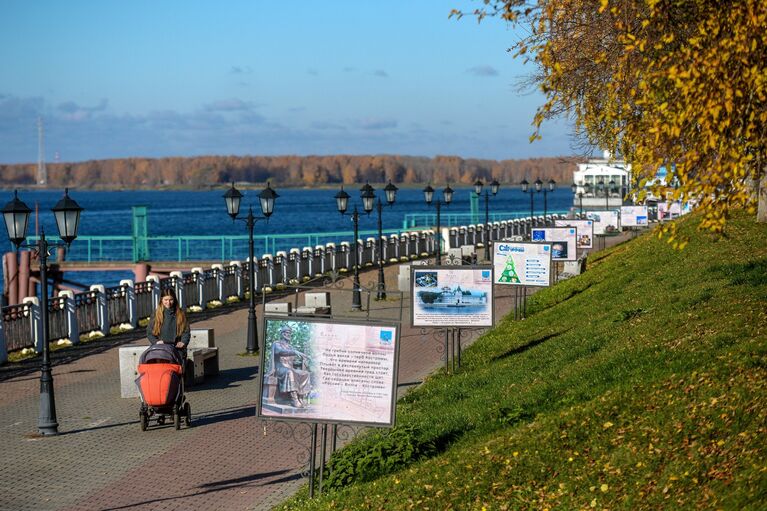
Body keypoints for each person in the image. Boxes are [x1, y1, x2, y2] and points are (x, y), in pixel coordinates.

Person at [271, 324, 311, 408]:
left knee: (305, 373)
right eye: (287, 332)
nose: (289, 334)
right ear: (282, 333)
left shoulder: (290, 347)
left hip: (290, 367)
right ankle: (294, 399)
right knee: (289, 372)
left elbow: (293, 362)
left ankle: (301, 397)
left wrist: (304, 359)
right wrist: (294, 352)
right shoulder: (277, 344)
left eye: (290, 333)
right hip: (280, 368)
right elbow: (280, 352)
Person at [146, 288, 190, 354]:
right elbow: (149, 332)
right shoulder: (156, 314)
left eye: (171, 300)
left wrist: (183, 342)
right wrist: (156, 342)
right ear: (161, 300)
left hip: (177, 349)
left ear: (174, 300)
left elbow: (186, 332)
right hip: (160, 348)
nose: (168, 303)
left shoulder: (180, 314)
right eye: (166, 300)